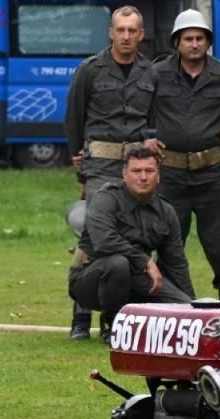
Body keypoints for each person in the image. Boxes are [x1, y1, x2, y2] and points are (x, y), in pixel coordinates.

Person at [64, 6, 155, 339]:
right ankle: (80, 316)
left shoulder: (151, 73)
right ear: (110, 33)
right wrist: (80, 167)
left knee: (132, 237)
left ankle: (116, 317)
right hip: (99, 165)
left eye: (132, 30)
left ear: (141, 34)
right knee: (93, 236)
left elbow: (154, 118)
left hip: (136, 166)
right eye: (120, 30)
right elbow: (74, 118)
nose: (126, 36)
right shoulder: (90, 70)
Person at [146, 9, 220, 302]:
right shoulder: (157, 73)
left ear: (208, 42)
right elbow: (135, 105)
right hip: (170, 176)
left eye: (200, 38)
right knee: (168, 245)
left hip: (212, 175)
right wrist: (143, 137)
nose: (194, 44)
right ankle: (168, 308)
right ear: (176, 42)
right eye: (188, 38)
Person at [68, 144, 194, 336]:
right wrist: (146, 262)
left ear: (158, 176)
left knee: (185, 308)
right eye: (136, 171)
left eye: (149, 171)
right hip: (91, 281)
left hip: (138, 279)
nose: (143, 177)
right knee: (118, 264)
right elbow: (104, 242)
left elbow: (176, 263)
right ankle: (112, 324)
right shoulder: (105, 198)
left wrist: (194, 307)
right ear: (124, 174)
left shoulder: (166, 211)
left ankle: (134, 318)